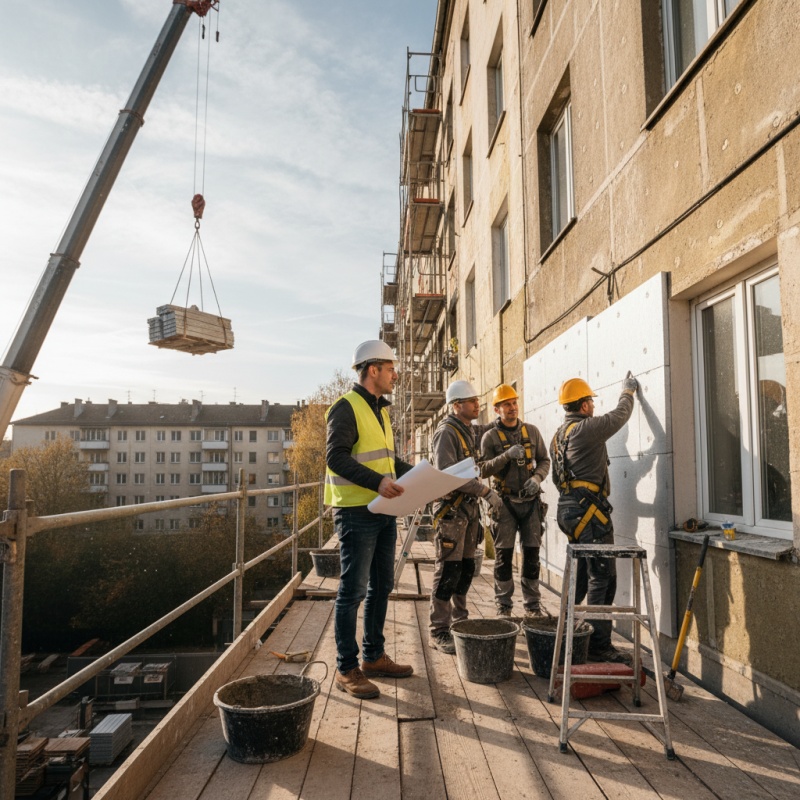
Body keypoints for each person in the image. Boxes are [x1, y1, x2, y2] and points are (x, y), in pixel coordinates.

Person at [325, 339, 415, 699]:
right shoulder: (345, 408)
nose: (396, 375)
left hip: (382, 512)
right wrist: (378, 482)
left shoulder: (381, 411)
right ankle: (347, 668)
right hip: (355, 512)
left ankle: (373, 657)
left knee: (382, 587)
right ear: (372, 370)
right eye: (391, 368)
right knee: (353, 592)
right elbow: (337, 458)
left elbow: (388, 463)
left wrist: (428, 474)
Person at [549, 373, 639, 664]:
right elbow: (619, 416)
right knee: (602, 577)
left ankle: (564, 630)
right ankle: (600, 645)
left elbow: (556, 477)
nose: (593, 407)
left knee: (581, 577)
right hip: (590, 514)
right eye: (591, 401)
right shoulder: (586, 429)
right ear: (584, 405)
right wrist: (628, 392)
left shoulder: (558, 436)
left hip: (570, 511)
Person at [428, 380, 504, 654]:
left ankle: (459, 621)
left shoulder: (467, 429)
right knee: (448, 571)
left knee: (466, 569)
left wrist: (503, 417)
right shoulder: (446, 433)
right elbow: (449, 475)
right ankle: (439, 629)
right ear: (457, 405)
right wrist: (486, 491)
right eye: (472, 401)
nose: (477, 405)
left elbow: (482, 429)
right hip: (451, 513)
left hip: (468, 512)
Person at [480, 384, 551, 618]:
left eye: (514, 403)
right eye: (507, 404)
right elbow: (483, 470)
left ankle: (532, 605)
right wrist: (506, 456)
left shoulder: (532, 432)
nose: (512, 408)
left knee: (532, 556)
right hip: (505, 503)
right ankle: (504, 605)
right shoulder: (490, 437)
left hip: (531, 503)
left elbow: (544, 460)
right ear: (496, 409)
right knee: (503, 557)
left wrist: (538, 478)